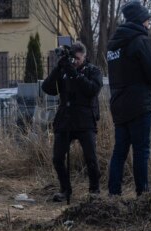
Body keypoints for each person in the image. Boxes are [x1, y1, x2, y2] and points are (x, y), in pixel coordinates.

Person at [107, 1, 151, 197]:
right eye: (147, 21)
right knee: (141, 151)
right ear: (140, 20)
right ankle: (142, 196)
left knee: (119, 151)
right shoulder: (140, 40)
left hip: (119, 105)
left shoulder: (113, 45)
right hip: (139, 105)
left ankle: (113, 194)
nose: (148, 25)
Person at [41, 41, 103, 203]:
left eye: (77, 58)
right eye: (72, 59)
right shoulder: (64, 71)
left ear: (84, 56)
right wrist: (59, 67)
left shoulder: (93, 71)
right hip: (65, 119)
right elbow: (48, 88)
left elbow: (92, 89)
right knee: (58, 157)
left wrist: (74, 73)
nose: (75, 62)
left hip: (85, 119)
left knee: (90, 157)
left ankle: (94, 190)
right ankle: (65, 189)